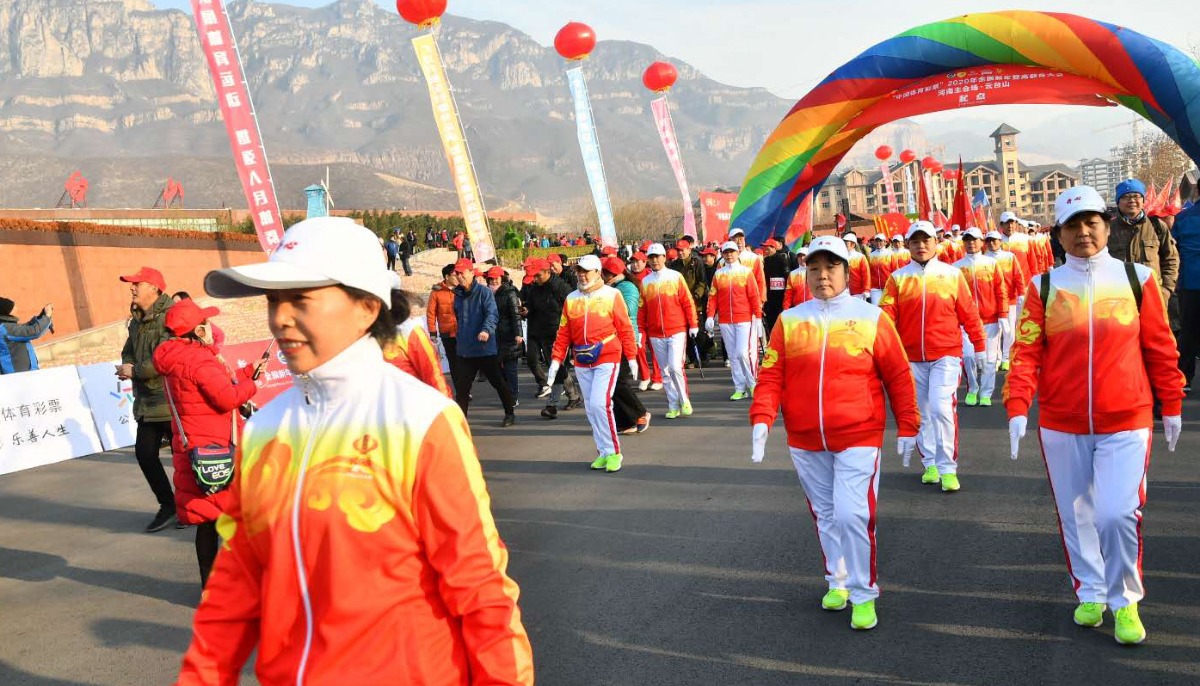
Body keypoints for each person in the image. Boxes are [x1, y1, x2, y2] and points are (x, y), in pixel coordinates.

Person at [180, 217, 533, 683]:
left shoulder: (420, 419)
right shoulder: (265, 426)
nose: (279, 317)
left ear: (367, 307)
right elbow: (239, 576)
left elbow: (480, 587)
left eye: (301, 299)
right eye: (273, 300)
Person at [1004, 186, 1184, 646]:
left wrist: (1172, 403)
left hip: (1126, 417)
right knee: (1076, 513)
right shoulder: (1044, 286)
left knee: (1116, 513)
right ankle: (1091, 591)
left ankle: (1126, 601)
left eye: (1091, 222)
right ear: (1058, 235)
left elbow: (1161, 348)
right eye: (1072, 225)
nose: (1083, 232)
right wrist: (1017, 404)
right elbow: (1025, 351)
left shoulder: (1136, 279)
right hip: (1062, 422)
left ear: (1105, 227)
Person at [750, 235, 919, 631]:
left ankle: (864, 593)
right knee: (826, 515)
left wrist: (908, 424)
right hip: (806, 437)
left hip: (858, 432)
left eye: (831, 268)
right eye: (814, 269)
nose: (822, 276)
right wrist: (762, 417)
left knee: (852, 514)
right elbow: (772, 373)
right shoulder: (790, 321)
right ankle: (837, 581)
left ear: (847, 272)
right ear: (805, 274)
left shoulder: (871, 317)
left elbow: (898, 375)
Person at [153, 298, 263, 588]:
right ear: (197, 331)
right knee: (233, 520)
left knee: (207, 522)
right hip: (219, 449)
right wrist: (253, 385)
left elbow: (216, 386)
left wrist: (247, 372)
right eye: (206, 324)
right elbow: (227, 398)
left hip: (193, 451)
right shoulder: (200, 359)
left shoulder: (175, 359)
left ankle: (210, 588)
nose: (212, 328)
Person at [879, 221, 985, 492]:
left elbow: (968, 312)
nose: (921, 245)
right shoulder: (898, 278)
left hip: (946, 354)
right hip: (911, 358)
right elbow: (887, 319)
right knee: (921, 414)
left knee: (941, 408)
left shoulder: (951, 275)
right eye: (915, 241)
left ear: (935, 242)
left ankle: (948, 468)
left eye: (926, 240)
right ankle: (930, 464)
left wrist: (980, 345)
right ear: (908, 245)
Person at [544, 255, 639, 472]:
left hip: (607, 354)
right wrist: (556, 360)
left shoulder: (612, 295)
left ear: (598, 272)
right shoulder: (571, 299)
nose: (582, 274)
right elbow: (564, 333)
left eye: (587, 270)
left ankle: (614, 452)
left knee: (600, 404)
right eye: (579, 270)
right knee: (590, 408)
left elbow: (624, 328)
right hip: (582, 358)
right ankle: (603, 451)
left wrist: (631, 356)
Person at [118, 267, 177, 532]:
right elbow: (127, 351)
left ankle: (199, 507)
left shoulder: (171, 317)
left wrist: (136, 371)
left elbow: (166, 357)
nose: (131, 288)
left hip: (172, 400)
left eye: (136, 284)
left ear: (153, 288)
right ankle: (169, 505)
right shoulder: (135, 320)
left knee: (186, 460)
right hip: (146, 402)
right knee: (145, 453)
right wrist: (126, 366)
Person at [449, 259, 516, 426]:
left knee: (498, 383)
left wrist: (486, 330)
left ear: (471, 273)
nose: (459, 276)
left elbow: (492, 314)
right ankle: (461, 423)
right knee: (462, 389)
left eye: (462, 273)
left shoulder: (484, 293)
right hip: (465, 349)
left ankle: (510, 413)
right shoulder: (457, 295)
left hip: (485, 349)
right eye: (456, 273)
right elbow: (458, 317)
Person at [641, 244, 699, 419]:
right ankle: (673, 405)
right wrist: (641, 331)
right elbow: (642, 310)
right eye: (651, 257)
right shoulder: (646, 282)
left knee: (675, 367)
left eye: (658, 256)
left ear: (664, 257)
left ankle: (684, 400)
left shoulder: (675, 277)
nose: (654, 260)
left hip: (677, 329)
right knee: (665, 372)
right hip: (656, 333)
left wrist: (693, 324)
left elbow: (687, 302)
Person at [952, 228, 1008, 407]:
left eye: (974, 240)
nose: (971, 243)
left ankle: (985, 393)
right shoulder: (956, 268)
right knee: (969, 358)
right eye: (967, 240)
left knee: (989, 360)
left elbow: (1001, 290)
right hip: (966, 322)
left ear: (981, 242)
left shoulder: (991, 263)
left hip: (990, 319)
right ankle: (972, 389)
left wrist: (1003, 314)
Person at [524, 258, 582, 418]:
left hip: (557, 333)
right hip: (537, 331)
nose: (535, 279)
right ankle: (573, 395)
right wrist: (526, 310)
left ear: (547, 272)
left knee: (555, 367)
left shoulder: (560, 287)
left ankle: (552, 404)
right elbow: (532, 305)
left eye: (538, 276)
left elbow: (573, 309)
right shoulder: (535, 288)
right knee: (554, 366)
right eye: (533, 277)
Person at [706, 242, 763, 400]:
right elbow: (713, 297)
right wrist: (710, 315)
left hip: (744, 318)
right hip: (725, 320)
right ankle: (739, 388)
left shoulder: (746, 272)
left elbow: (754, 296)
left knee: (742, 353)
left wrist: (758, 317)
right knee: (732, 355)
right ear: (722, 254)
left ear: (738, 253)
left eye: (732, 252)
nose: (729, 255)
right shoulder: (719, 274)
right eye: (726, 252)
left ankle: (751, 384)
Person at [1110, 179, 1180, 304]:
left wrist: (1166, 290)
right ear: (1118, 202)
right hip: (1119, 300)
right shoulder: (1107, 229)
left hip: (1153, 298)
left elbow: (1171, 259)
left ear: (1143, 201)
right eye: (1125, 197)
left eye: (1136, 196)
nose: (1132, 200)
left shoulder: (1157, 226)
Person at [601, 257, 651, 434]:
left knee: (618, 381)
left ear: (611, 274)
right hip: (611, 339)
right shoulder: (612, 287)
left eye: (603, 272)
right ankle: (626, 421)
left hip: (626, 339)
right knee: (612, 382)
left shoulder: (627, 287)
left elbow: (628, 310)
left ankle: (640, 413)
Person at [384, 275, 452, 398]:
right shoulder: (359, 331)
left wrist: (447, 408)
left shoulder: (409, 330)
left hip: (409, 403)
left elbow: (432, 373)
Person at [985, 230, 1026, 372]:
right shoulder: (983, 259)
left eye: (994, 240)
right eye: (988, 240)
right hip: (991, 302)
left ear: (1000, 242)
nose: (991, 243)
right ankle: (996, 359)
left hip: (1010, 300)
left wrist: (1021, 293)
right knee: (995, 332)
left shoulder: (1009, 257)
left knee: (1009, 332)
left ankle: (1006, 359)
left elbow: (1018, 276)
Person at [1173, 200, 1200, 392]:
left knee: (1188, 332)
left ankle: (1183, 378)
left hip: (1190, 283)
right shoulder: (1183, 218)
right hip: (1190, 281)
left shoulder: (1182, 218)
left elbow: (1173, 253)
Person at [487, 266, 523, 403]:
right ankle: (508, 393)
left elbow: (515, 314)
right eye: (491, 279)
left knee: (510, 369)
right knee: (498, 370)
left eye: (496, 278)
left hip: (509, 336)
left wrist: (518, 333)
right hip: (493, 337)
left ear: (502, 278)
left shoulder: (510, 293)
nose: (493, 281)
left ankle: (513, 396)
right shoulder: (487, 293)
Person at [0, 298, 52, 374]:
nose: (16, 308)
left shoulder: (7, 326)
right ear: (8, 312)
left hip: (24, 374)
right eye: (13, 307)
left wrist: (41, 316)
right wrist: (47, 316)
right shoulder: (5, 329)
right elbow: (34, 332)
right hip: (18, 376)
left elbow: (26, 327)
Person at [761, 238, 792, 336]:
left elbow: (788, 277)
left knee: (780, 324)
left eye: (768, 247)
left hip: (780, 298)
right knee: (770, 324)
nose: (765, 249)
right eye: (764, 247)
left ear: (774, 247)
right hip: (769, 299)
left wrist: (786, 299)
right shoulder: (765, 261)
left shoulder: (782, 258)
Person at [842, 234, 872, 299]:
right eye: (843, 242)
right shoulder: (841, 257)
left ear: (853, 244)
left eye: (846, 243)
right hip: (844, 292)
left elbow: (866, 275)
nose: (844, 245)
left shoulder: (860, 257)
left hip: (858, 293)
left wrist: (866, 290)